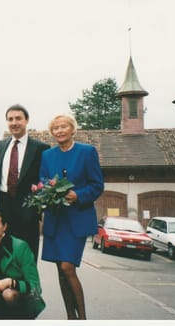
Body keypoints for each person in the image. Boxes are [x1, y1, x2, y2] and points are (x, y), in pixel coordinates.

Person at [40, 113, 104, 320]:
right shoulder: (47, 155)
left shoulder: (87, 152)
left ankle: (82, 318)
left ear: (72, 129)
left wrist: (78, 195)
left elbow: (97, 185)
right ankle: (70, 317)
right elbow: (43, 182)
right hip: (55, 219)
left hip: (76, 219)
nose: (59, 131)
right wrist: (46, 193)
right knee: (60, 270)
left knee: (68, 267)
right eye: (55, 128)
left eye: (63, 127)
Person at [0, 104, 50, 262]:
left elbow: (45, 180)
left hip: (28, 210)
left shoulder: (41, 148)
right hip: (3, 208)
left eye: (18, 118)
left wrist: (37, 209)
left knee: (27, 256)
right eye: (10, 119)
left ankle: (28, 286)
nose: (14, 122)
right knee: (4, 255)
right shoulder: (1, 146)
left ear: (27, 120)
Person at [0, 208, 46, 319]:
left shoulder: (20, 247)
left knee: (9, 294)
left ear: (4, 226)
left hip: (21, 298)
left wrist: (10, 282)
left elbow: (35, 286)